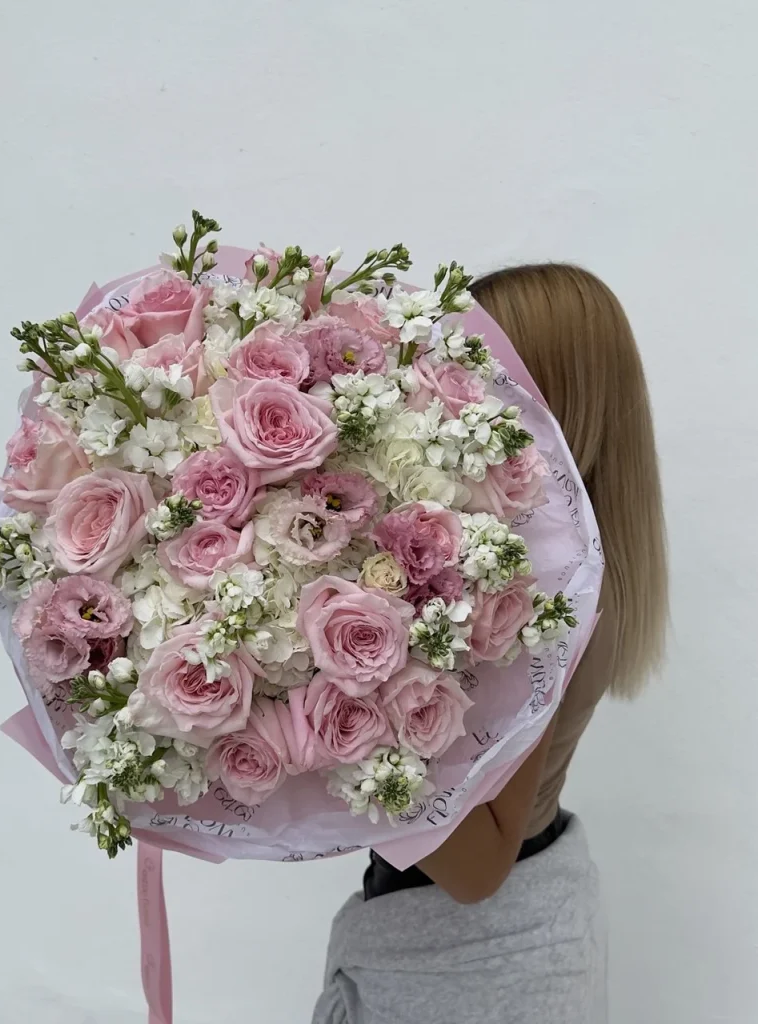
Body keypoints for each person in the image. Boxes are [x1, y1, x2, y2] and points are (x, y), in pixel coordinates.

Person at [311, 263, 669, 1024]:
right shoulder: (538, 568)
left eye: (481, 366)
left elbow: (477, 868)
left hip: (477, 972)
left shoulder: (546, 598)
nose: (449, 388)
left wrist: (319, 723)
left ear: (546, 393)